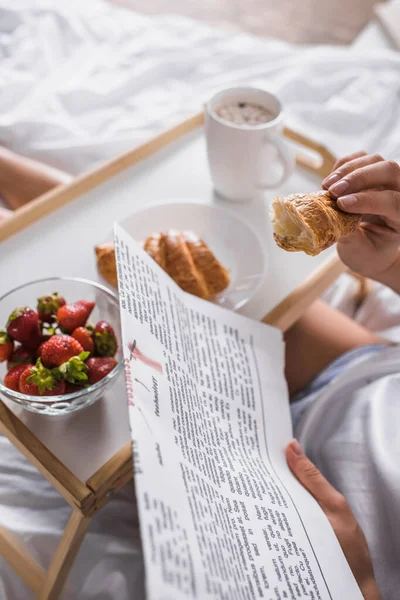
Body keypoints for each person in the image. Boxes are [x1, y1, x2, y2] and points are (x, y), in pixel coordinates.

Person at [1, 146, 399, 599]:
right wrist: (390, 266)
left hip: (300, 543)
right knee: (140, 261)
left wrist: (365, 588)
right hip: (358, 382)